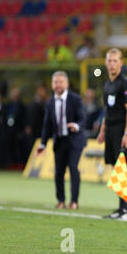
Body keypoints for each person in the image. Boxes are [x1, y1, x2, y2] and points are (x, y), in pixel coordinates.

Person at [37, 71, 87, 210]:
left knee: (73, 167)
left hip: (75, 140)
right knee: (59, 171)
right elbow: (47, 124)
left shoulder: (75, 99)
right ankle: (61, 200)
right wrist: (43, 143)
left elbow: (83, 118)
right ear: (52, 85)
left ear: (67, 84)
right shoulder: (50, 102)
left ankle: (74, 201)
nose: (58, 85)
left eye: (60, 82)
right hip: (59, 140)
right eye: (55, 82)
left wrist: (76, 126)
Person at [97, 48, 127, 220]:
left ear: (121, 62)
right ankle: (120, 209)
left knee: (126, 168)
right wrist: (102, 130)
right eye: (109, 60)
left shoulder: (124, 83)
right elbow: (107, 110)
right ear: (106, 62)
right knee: (116, 170)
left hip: (122, 130)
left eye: (115, 60)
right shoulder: (107, 84)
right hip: (111, 130)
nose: (112, 64)